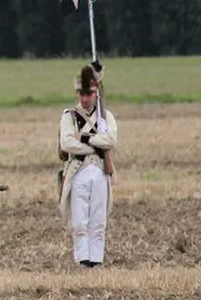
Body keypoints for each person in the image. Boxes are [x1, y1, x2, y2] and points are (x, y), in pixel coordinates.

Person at [58, 61, 117, 268]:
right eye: (81, 94)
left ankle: (96, 260)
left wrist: (84, 138)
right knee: (79, 221)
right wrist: (95, 144)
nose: (85, 99)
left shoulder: (105, 116)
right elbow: (67, 143)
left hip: (100, 171)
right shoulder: (69, 116)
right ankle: (82, 259)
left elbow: (111, 141)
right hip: (78, 171)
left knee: (98, 220)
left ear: (95, 93)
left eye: (89, 94)